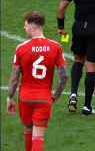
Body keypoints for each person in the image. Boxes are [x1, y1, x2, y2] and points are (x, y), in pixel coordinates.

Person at [6, 11, 68, 151]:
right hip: (44, 99)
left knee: (28, 131)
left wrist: (10, 99)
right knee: (38, 138)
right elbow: (64, 75)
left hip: (25, 98)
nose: (24, 28)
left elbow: (14, 78)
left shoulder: (21, 49)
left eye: (26, 25)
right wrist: (56, 95)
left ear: (33, 27)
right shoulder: (55, 47)